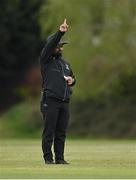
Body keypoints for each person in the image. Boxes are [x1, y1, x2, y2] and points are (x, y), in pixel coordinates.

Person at [39, 19, 76, 165]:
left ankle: (60, 158)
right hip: (50, 100)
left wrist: (71, 81)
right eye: (59, 45)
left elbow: (73, 79)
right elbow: (50, 45)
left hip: (64, 102)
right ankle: (48, 158)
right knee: (49, 131)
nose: (61, 48)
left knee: (61, 132)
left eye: (62, 46)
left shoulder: (65, 64)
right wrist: (60, 32)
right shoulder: (46, 60)